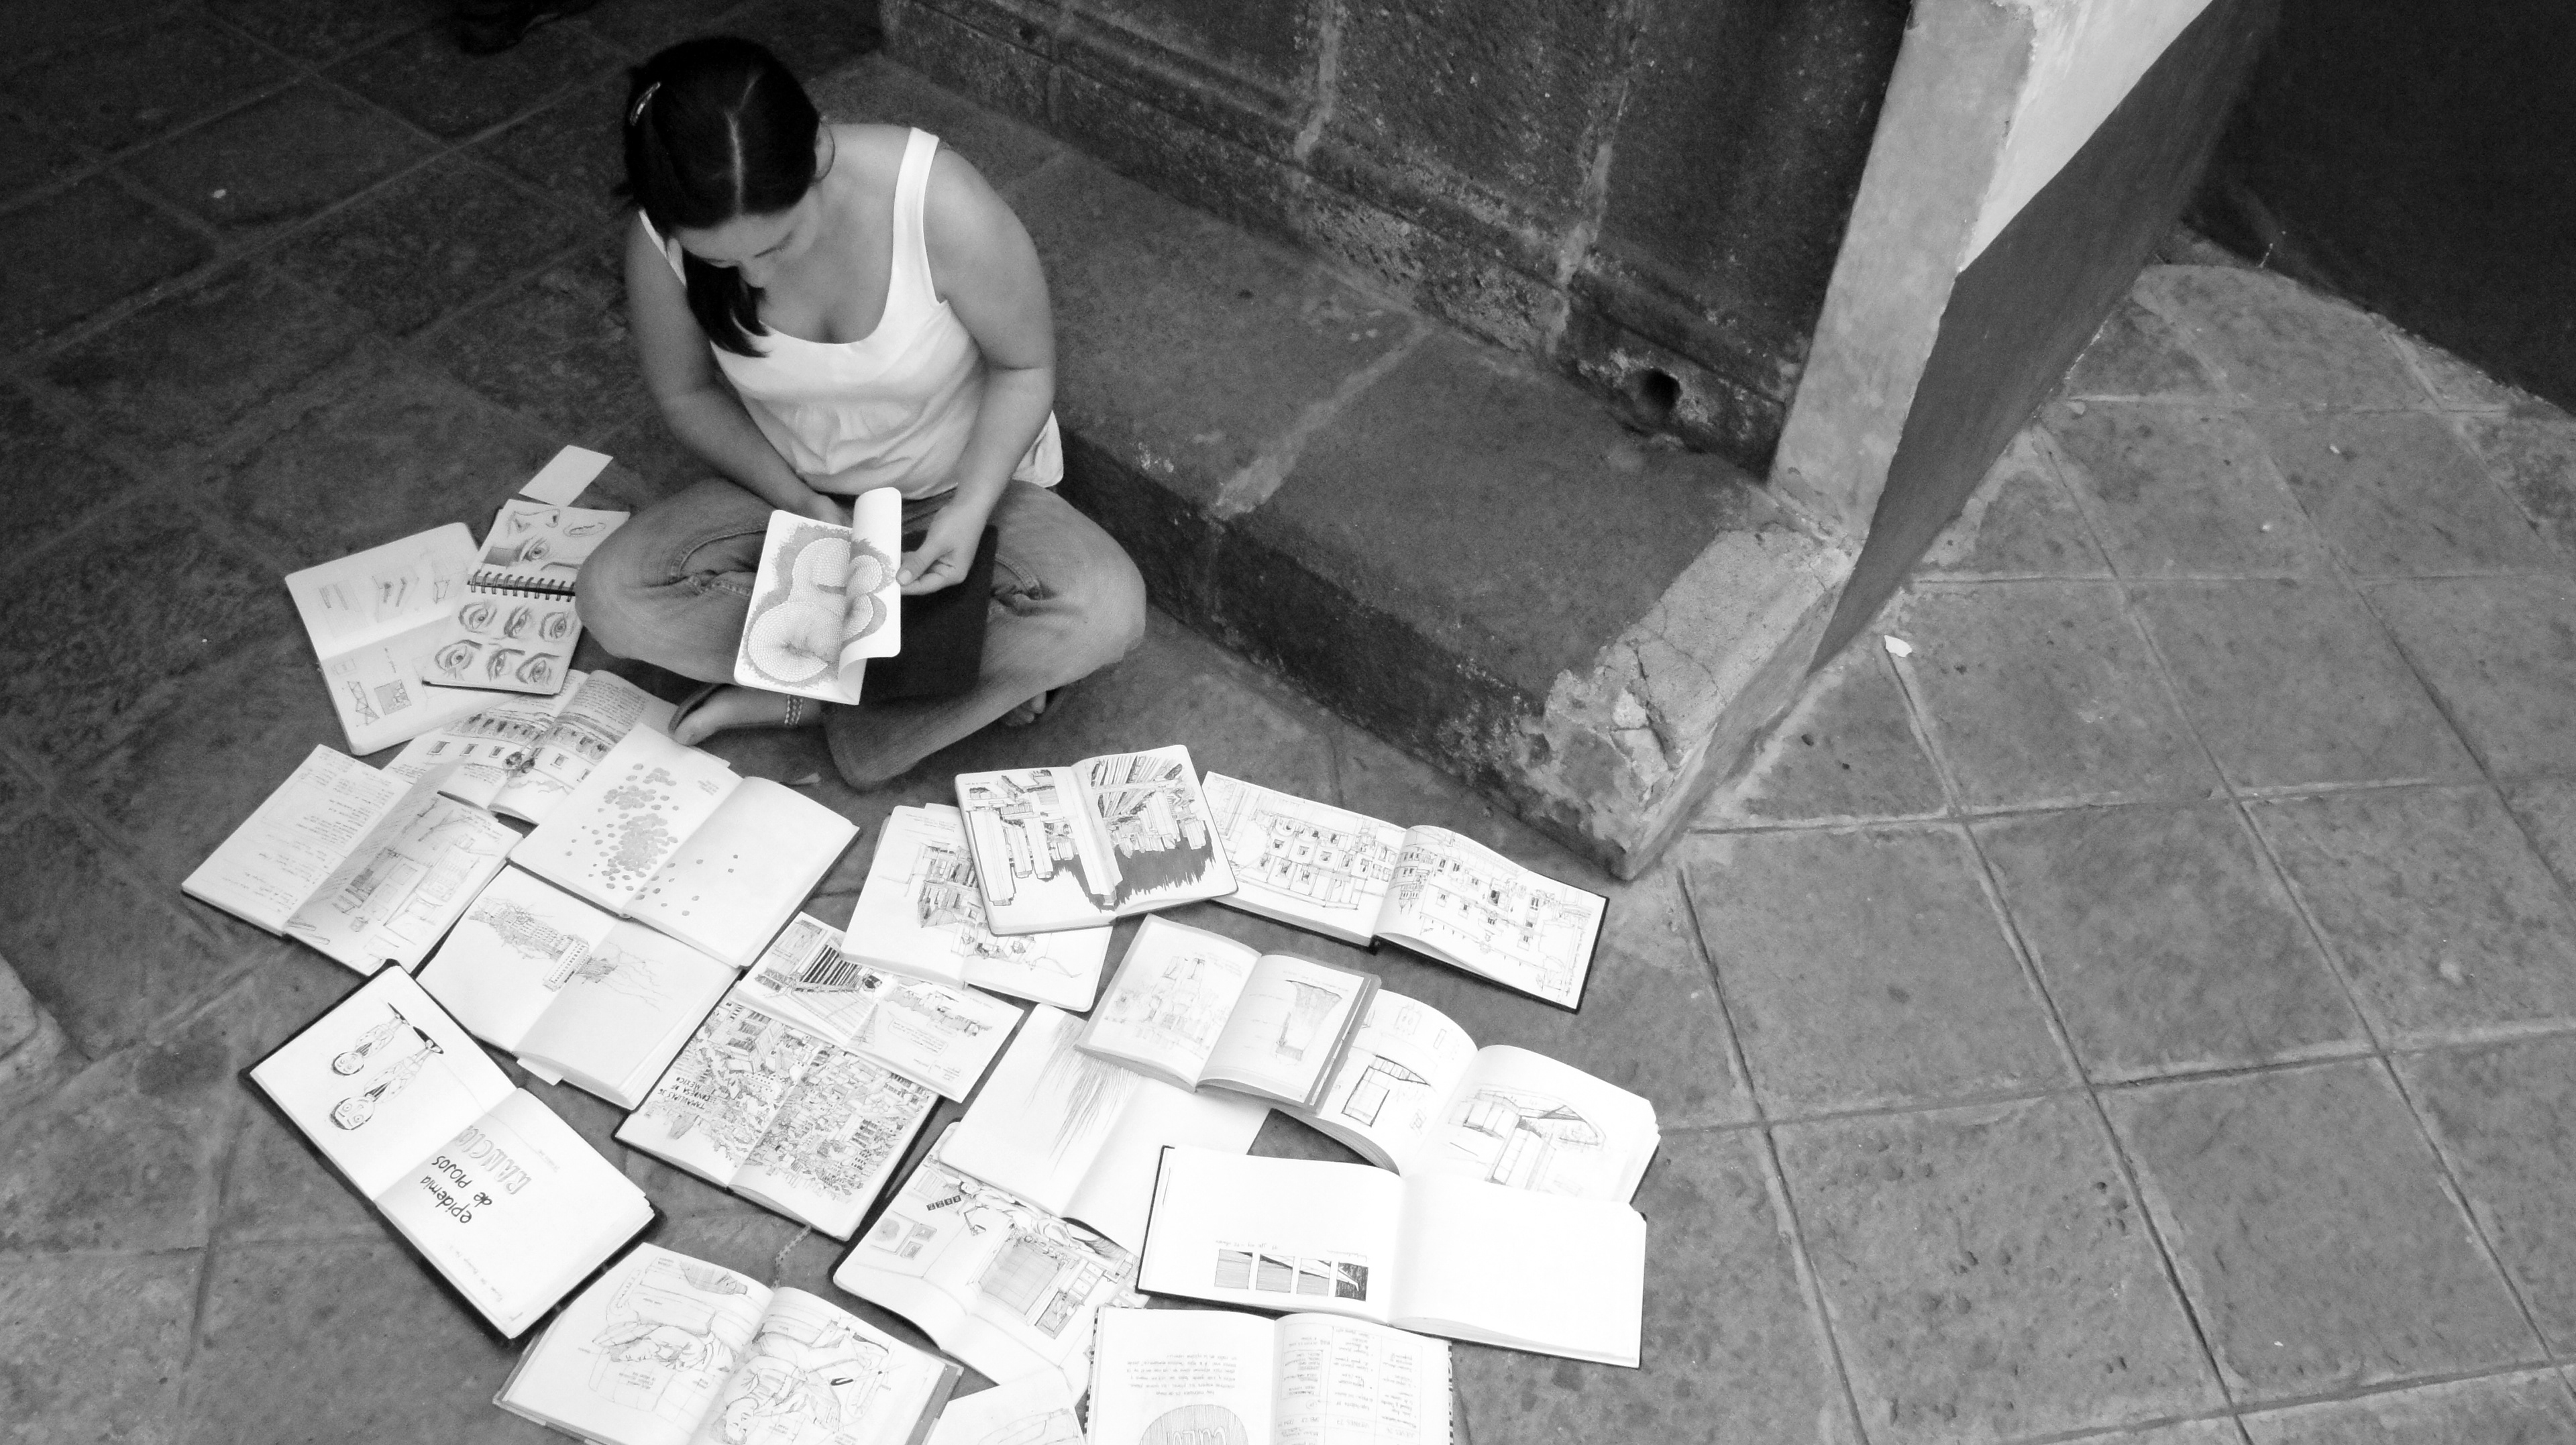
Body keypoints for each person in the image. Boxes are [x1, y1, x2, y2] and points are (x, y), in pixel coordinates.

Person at [576, 37, 1146, 788]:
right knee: (614, 597)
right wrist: (801, 501)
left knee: (1104, 610)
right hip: (797, 499)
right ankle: (930, 687)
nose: (755, 274)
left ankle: (801, 696)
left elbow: (1025, 367)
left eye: (777, 242)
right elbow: (687, 395)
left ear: (818, 152)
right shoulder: (662, 238)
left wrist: (970, 510)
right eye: (722, 262)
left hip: (958, 492)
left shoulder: (935, 203)